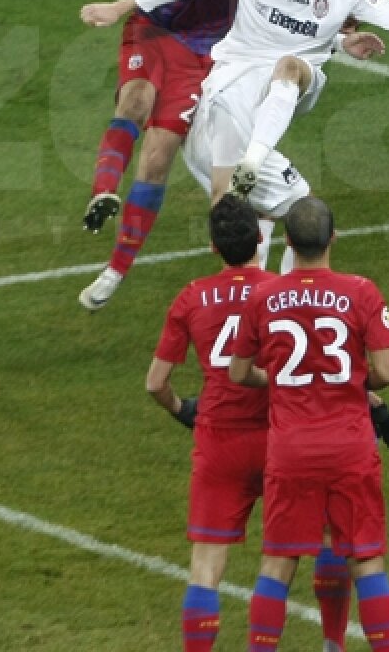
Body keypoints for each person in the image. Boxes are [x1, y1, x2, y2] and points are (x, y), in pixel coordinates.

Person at [80, 0, 389, 212]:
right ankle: (255, 253)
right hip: (234, 75)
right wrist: (120, 7)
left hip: (298, 81)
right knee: (272, 208)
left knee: (288, 66)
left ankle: (252, 163)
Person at [146, 195, 353, 652]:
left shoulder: (192, 296)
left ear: (213, 248)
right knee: (310, 541)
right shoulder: (278, 291)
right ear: (261, 239)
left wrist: (182, 409)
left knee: (205, 567)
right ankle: (332, 642)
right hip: (281, 437)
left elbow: (155, 383)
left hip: (219, 442)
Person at [79, 0, 269, 312]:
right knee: (136, 99)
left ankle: (114, 271)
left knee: (160, 154)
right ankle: (103, 190)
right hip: (155, 27)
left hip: (203, 53)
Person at [229, 196, 389, 652]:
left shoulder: (263, 296)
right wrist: (344, 378)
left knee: (278, 562)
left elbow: (238, 372)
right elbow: (385, 372)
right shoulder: (362, 291)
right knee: (366, 559)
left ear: (286, 241)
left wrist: (283, 381)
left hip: (291, 450)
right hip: (349, 446)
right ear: (333, 238)